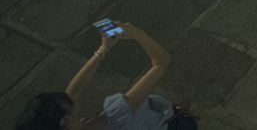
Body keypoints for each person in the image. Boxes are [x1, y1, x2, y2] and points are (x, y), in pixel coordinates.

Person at [17, 21, 174, 130]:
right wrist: (137, 34)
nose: (69, 97)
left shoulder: (70, 125)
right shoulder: (115, 118)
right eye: (68, 104)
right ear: (64, 121)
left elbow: (73, 91)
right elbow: (161, 62)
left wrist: (103, 49)